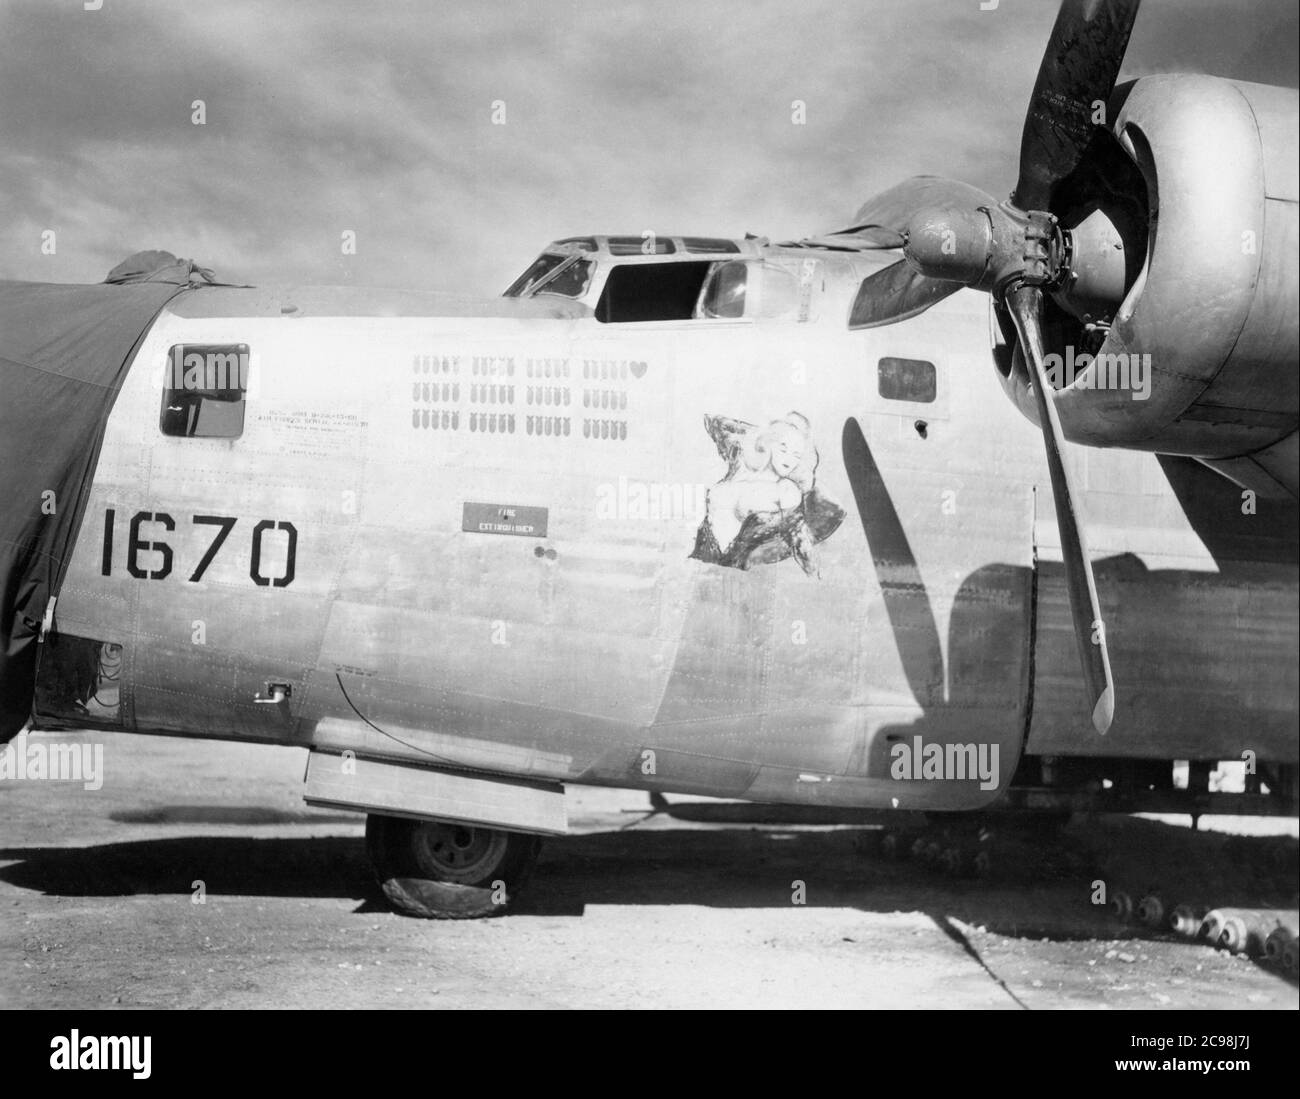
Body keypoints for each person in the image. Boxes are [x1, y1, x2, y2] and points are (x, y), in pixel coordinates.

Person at [690, 411, 845, 577]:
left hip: (735, 576)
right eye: (783, 449)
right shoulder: (731, 481)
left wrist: (815, 577)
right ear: (768, 445)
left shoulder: (787, 490)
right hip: (700, 569)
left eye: (796, 455)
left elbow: (801, 542)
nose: (789, 459)